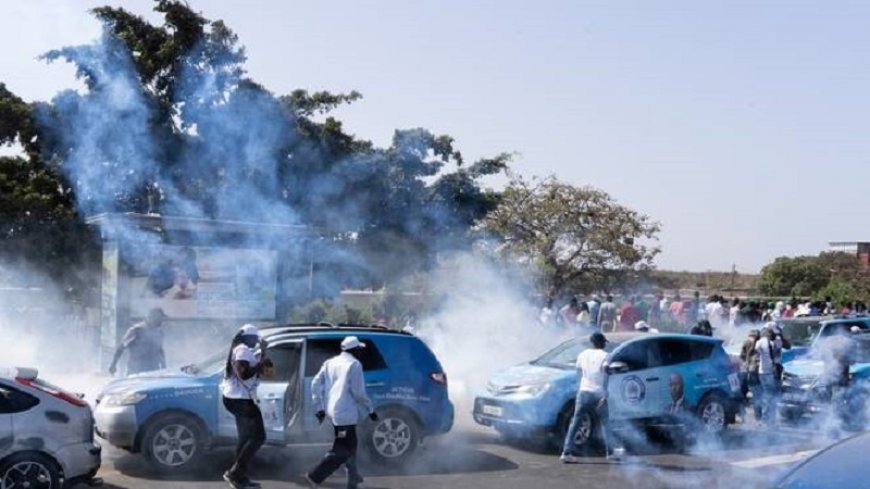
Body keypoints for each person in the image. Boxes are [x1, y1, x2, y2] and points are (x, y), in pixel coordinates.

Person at [306, 336, 378, 489]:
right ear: (355, 350)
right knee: (342, 449)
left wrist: (319, 408)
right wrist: (370, 409)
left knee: (351, 444)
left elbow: (315, 384)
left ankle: (353, 477)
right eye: (359, 349)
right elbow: (358, 393)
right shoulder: (354, 364)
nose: (361, 352)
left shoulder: (330, 362)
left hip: (333, 410)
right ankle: (315, 476)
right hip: (345, 413)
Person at [221, 324, 274, 489]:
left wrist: (262, 352)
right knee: (258, 437)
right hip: (240, 400)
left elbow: (252, 366)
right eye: (255, 338)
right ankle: (234, 473)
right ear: (248, 337)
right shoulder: (242, 349)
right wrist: (260, 364)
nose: (256, 342)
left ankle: (240, 477)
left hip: (236, 398)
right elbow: (244, 374)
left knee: (245, 438)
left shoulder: (241, 348)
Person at [561, 332, 613, 463]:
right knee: (605, 423)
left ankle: (566, 452)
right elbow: (607, 375)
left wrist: (580, 387)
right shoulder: (605, 356)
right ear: (601, 343)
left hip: (583, 392)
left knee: (575, 422)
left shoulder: (582, 355)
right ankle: (611, 453)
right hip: (598, 394)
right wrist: (605, 394)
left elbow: (579, 372)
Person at [109, 308, 167, 376]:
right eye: (160, 318)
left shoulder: (159, 333)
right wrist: (113, 364)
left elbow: (160, 351)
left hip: (153, 371)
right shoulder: (137, 330)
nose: (161, 321)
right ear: (153, 317)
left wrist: (164, 369)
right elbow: (121, 347)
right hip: (136, 371)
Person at [754, 327, 781, 427]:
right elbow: (776, 356)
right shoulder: (772, 343)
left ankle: (766, 419)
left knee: (766, 395)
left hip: (763, 372)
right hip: (770, 372)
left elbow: (756, 351)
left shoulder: (760, 342)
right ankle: (770, 420)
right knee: (771, 396)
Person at [739, 329, 761, 421]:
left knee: (741, 394)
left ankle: (742, 414)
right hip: (754, 371)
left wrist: (746, 362)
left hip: (745, 370)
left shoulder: (746, 342)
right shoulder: (759, 343)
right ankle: (758, 417)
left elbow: (741, 356)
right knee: (757, 395)